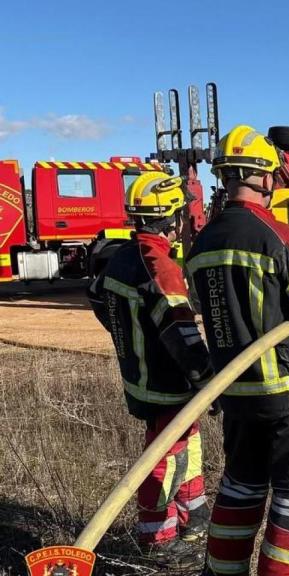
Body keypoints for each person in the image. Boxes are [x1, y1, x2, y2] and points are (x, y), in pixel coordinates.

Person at [187, 125, 289, 576]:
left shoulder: (202, 243)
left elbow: (208, 307)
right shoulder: (276, 236)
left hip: (235, 394)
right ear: (265, 178)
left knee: (240, 488)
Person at [87, 172, 213, 568]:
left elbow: (96, 298)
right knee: (165, 456)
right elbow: (182, 335)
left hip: (139, 377)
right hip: (165, 382)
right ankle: (157, 537)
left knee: (187, 443)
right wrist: (209, 382)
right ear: (174, 219)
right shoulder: (159, 265)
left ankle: (193, 508)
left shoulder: (121, 257)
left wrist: (129, 333)